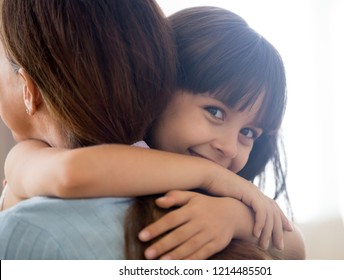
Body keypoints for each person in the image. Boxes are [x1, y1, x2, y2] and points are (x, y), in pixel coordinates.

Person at [1, 4, 305, 259]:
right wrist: (210, 175)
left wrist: (235, 218)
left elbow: (295, 246)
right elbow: (73, 174)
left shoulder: (222, 200)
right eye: (215, 112)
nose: (230, 148)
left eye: (249, 133)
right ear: (160, 86)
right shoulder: (32, 154)